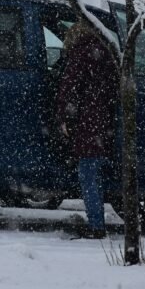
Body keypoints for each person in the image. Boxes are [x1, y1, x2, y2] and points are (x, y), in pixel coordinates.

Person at [55, 18, 119, 239]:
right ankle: (98, 221)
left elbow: (69, 88)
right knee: (95, 174)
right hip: (104, 124)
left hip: (88, 125)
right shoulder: (106, 53)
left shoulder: (82, 54)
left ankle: (96, 225)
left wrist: (64, 118)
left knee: (88, 175)